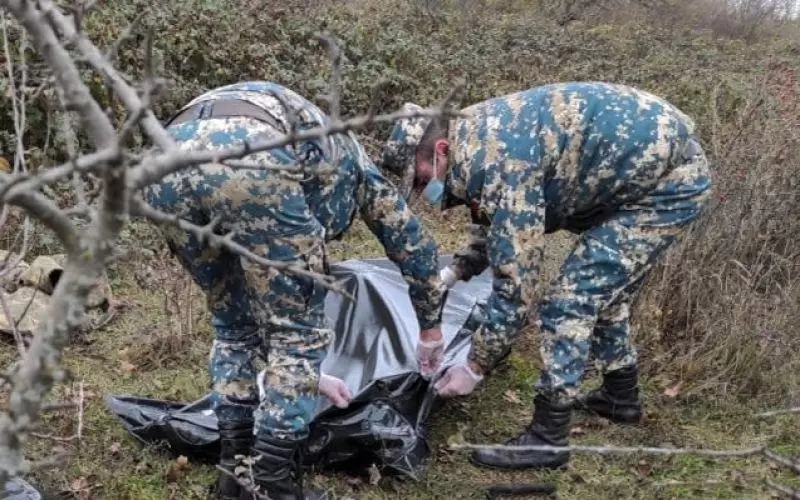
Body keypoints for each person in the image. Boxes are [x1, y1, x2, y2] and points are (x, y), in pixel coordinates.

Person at [379, 82, 712, 471]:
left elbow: (516, 285)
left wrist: (475, 366)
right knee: (607, 293)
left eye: (420, 180)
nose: (423, 193)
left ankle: (548, 437)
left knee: (569, 302)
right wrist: (457, 270)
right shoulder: (474, 137)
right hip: (640, 175)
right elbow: (496, 220)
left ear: (440, 151)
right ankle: (621, 398)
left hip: (667, 187)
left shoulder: (498, 159)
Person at [143, 81, 447, 499]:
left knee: (233, 326)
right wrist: (430, 329)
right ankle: (273, 485)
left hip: (164, 155)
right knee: (297, 334)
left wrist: (307, 376)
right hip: (251, 154)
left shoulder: (321, 142)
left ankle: (235, 476)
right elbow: (414, 248)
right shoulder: (358, 166)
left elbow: (257, 298)